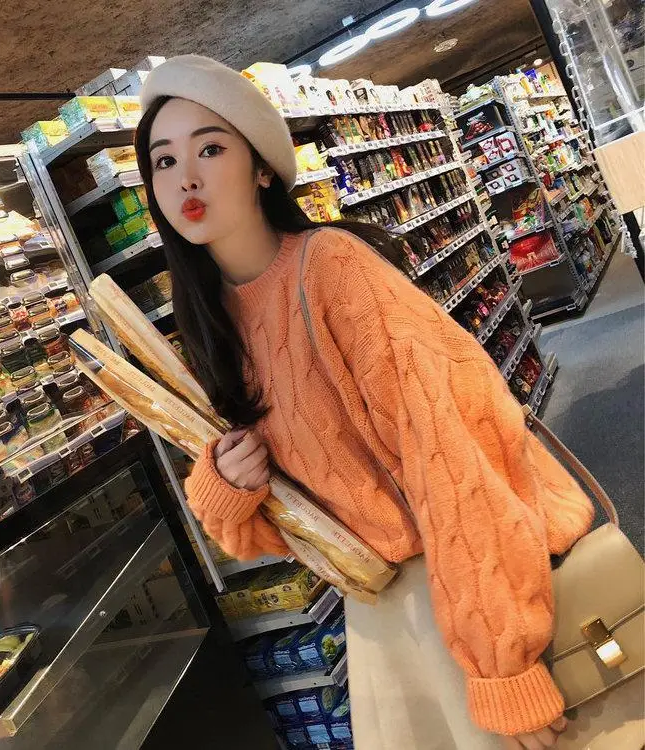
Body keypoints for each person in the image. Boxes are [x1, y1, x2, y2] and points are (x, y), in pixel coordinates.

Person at [133, 55, 598, 750]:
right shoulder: (210, 323)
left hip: (473, 588)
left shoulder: (333, 269)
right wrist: (225, 485)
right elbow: (285, 527)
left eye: (211, 148)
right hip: (382, 605)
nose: (186, 179)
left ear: (263, 169)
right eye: (164, 162)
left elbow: (450, 454)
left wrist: (504, 662)